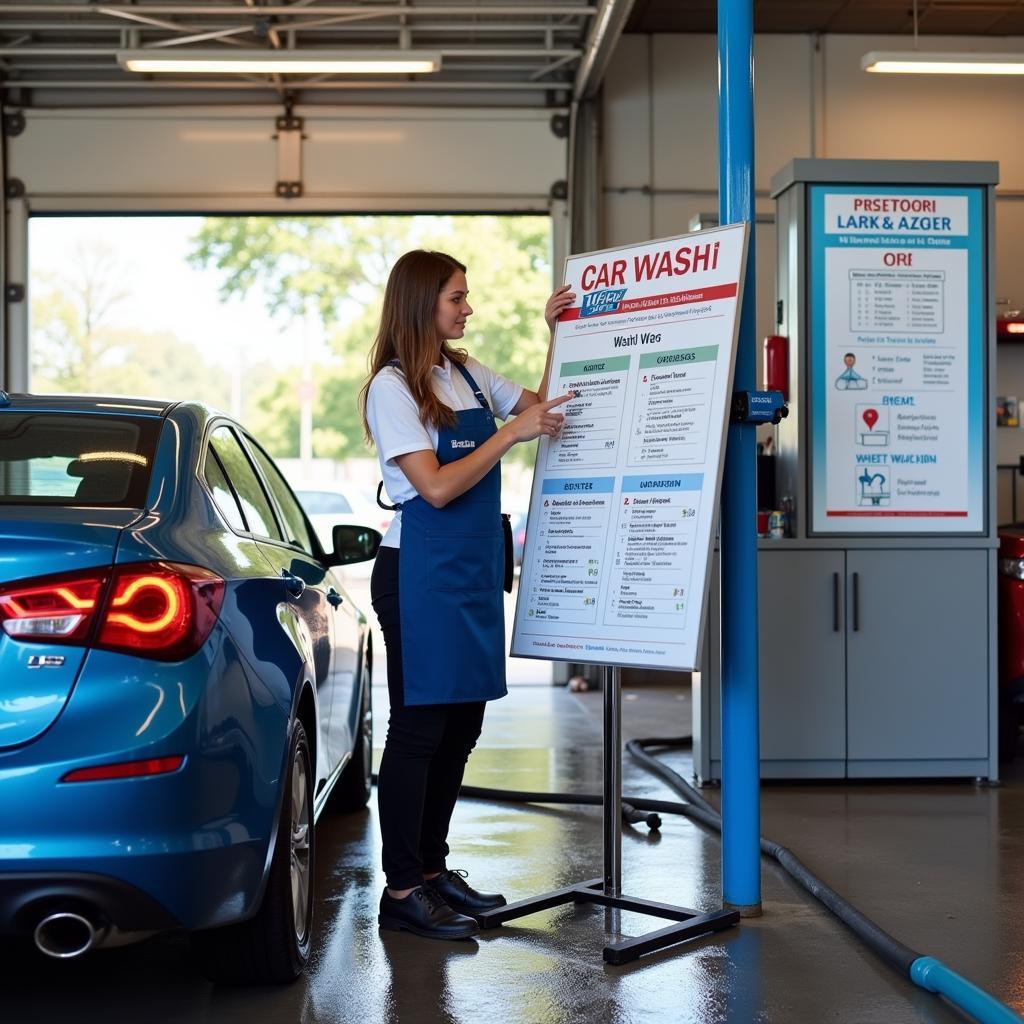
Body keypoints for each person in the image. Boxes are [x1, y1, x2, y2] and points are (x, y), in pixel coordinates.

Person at [359, 249, 575, 940]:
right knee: (420, 729)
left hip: (472, 573)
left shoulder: (466, 374)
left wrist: (559, 334)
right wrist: (511, 434)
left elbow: (545, 409)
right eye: (457, 298)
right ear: (424, 304)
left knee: (463, 727)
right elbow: (438, 486)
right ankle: (400, 891)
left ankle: (431, 872)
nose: (468, 308)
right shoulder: (391, 388)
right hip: (417, 576)